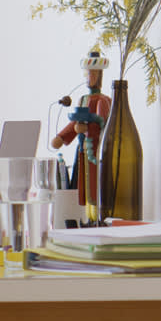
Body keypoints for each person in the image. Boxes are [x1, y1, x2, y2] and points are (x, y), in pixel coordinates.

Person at [51, 50, 111, 222]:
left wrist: (88, 127)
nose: (88, 77)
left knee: (95, 185)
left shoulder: (103, 100)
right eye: (87, 74)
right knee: (83, 186)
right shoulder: (83, 99)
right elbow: (74, 124)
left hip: (96, 151)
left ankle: (97, 218)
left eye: (92, 73)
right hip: (83, 150)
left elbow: (105, 124)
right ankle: (88, 218)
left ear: (99, 75)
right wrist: (62, 137)